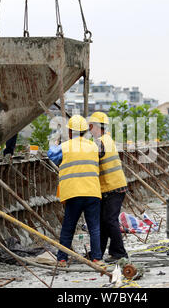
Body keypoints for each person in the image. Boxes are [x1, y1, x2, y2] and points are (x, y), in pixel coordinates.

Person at [48, 115, 104, 267]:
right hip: (92, 192)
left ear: (70, 132)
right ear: (85, 131)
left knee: (68, 227)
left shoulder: (65, 147)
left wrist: (54, 143)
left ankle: (62, 259)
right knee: (94, 227)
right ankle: (97, 258)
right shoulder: (93, 146)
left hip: (73, 193)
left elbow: (52, 156)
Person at [88, 111, 129, 263]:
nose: (90, 129)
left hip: (113, 187)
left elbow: (90, 158)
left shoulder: (99, 142)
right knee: (104, 221)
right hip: (112, 187)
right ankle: (97, 253)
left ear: (97, 127)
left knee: (109, 220)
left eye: (91, 126)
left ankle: (119, 252)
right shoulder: (107, 139)